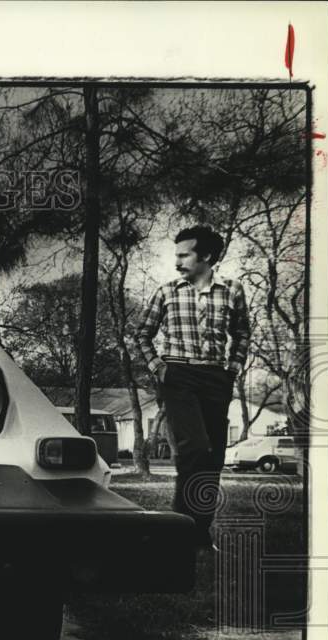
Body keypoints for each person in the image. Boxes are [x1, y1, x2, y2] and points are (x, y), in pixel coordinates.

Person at [133, 225, 251, 549]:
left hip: (216, 378)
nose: (177, 262)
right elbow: (141, 334)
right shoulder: (167, 291)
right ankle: (180, 528)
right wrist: (158, 367)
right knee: (193, 449)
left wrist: (235, 366)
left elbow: (242, 332)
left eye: (184, 255)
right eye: (177, 255)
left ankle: (199, 531)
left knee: (212, 458)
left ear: (207, 257)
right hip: (179, 376)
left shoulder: (233, 290)